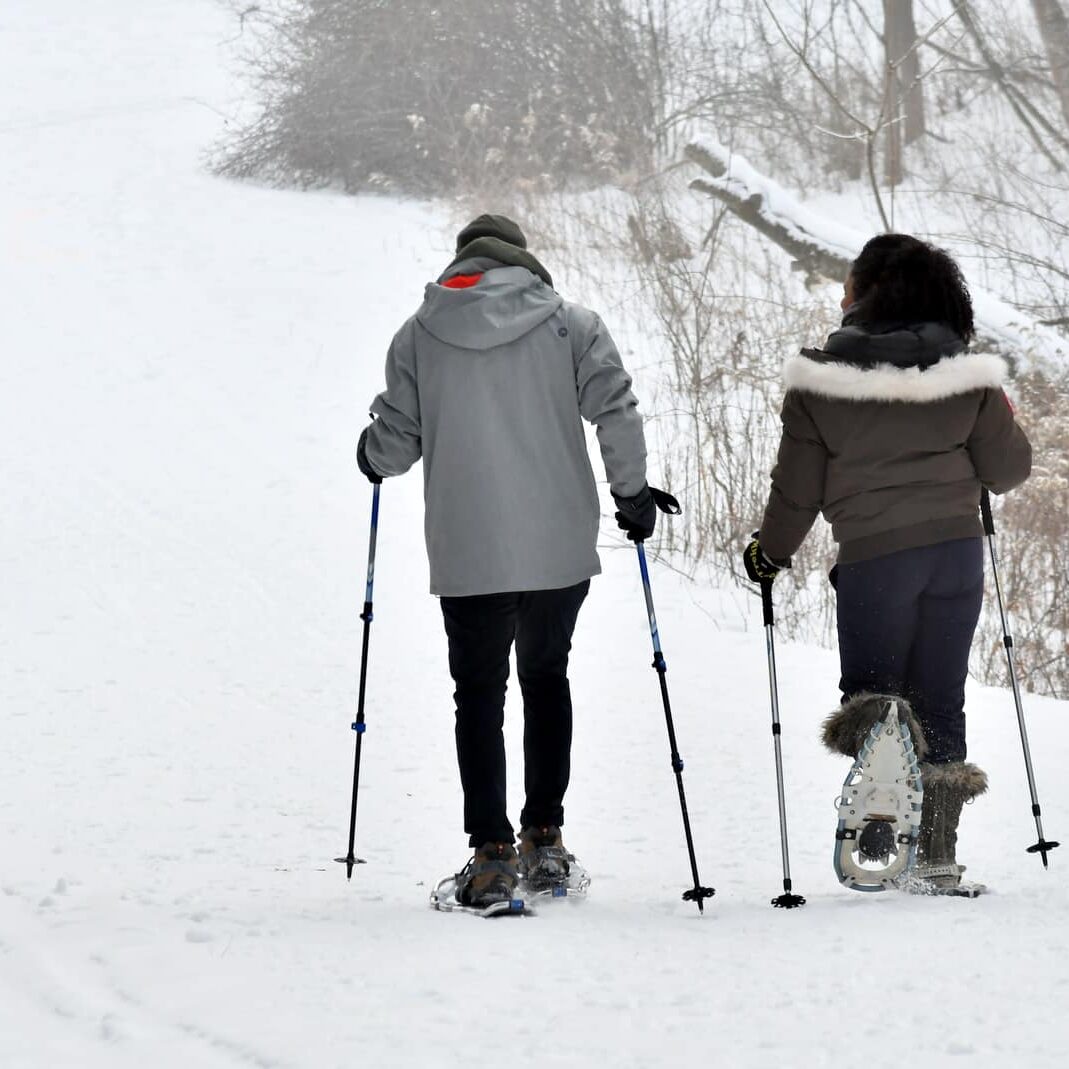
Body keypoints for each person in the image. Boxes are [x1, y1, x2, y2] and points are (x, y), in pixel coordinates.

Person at [357, 214, 658, 907]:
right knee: (546, 679)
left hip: (469, 548)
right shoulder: (572, 325)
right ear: (522, 260)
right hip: (558, 546)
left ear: (464, 262)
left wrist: (369, 454)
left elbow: (395, 443)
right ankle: (545, 841)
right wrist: (632, 493)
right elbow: (616, 409)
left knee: (478, 695)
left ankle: (491, 854)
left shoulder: (419, 334)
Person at [744, 233, 1032, 894]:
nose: (840, 294)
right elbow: (1008, 471)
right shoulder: (969, 378)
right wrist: (997, 414)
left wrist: (770, 553)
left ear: (869, 294)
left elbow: (797, 492)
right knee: (941, 696)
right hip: (955, 557)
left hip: (876, 561)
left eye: (849, 283)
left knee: (875, 695)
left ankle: (877, 823)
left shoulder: (820, 383)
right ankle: (934, 856)